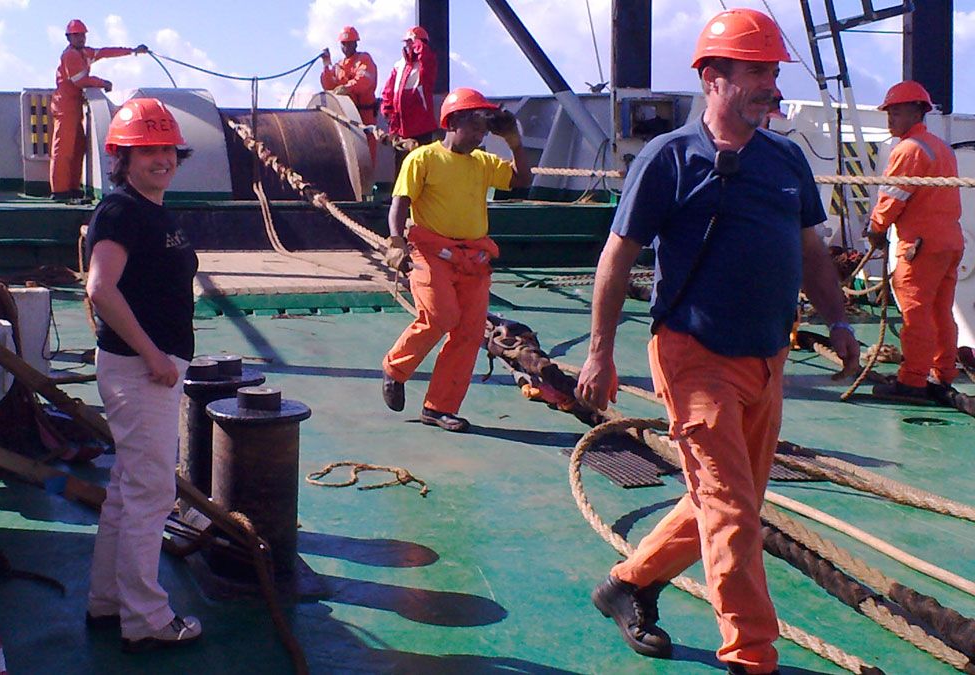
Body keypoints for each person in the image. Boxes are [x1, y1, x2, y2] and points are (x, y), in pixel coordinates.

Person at [574, 9, 859, 675]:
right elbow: (617, 257)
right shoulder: (669, 158)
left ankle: (631, 582)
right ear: (713, 77)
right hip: (694, 354)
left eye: (772, 71)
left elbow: (811, 250)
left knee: (727, 498)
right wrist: (599, 350)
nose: (770, 84)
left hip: (767, 356)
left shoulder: (785, 159)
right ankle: (751, 656)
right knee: (732, 511)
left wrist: (840, 319)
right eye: (757, 71)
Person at [84, 98, 202, 652]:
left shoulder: (155, 209)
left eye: (166, 149)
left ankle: (107, 601)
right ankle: (147, 620)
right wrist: (155, 356)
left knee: (126, 491)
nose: (160, 159)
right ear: (123, 157)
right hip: (141, 372)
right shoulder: (121, 212)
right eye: (147, 150)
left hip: (150, 368)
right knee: (152, 492)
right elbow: (99, 289)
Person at [381, 87, 531, 432]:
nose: (480, 136)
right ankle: (395, 368)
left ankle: (439, 408)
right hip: (431, 252)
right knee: (440, 315)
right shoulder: (423, 159)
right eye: (474, 127)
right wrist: (396, 243)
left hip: (472, 259)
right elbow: (400, 203)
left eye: (483, 130)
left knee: (469, 332)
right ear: (452, 123)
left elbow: (522, 180)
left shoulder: (483, 163)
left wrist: (514, 143)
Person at [867, 81, 964, 402]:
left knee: (916, 312)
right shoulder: (942, 148)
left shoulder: (908, 150)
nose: (890, 119)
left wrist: (877, 228)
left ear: (916, 111)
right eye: (889, 112)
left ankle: (912, 381)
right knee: (941, 311)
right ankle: (942, 374)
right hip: (949, 241)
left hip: (920, 245)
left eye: (896, 111)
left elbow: (893, 196)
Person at [50, 19, 148, 201]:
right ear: (69, 37)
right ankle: (60, 191)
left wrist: (133, 50)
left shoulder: (84, 53)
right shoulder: (70, 56)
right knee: (63, 149)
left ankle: (72, 187)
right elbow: (79, 80)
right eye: (77, 35)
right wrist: (103, 83)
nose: (81, 38)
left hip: (74, 106)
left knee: (77, 147)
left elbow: (105, 52)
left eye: (83, 35)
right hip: (65, 107)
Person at [381, 26, 439, 176]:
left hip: (421, 128)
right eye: (406, 43)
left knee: (422, 168)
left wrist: (417, 42)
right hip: (400, 129)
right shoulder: (398, 66)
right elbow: (388, 91)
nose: (408, 46)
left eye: (411, 42)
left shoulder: (426, 65)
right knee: (400, 168)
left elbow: (427, 57)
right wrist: (388, 114)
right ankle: (400, 197)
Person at [320, 26, 379, 165]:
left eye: (349, 43)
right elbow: (329, 86)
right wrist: (326, 65)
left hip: (364, 116)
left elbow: (364, 80)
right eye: (343, 44)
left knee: (366, 158)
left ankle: (367, 185)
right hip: (344, 117)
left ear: (356, 43)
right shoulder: (339, 66)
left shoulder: (364, 59)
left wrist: (347, 88)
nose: (346, 47)